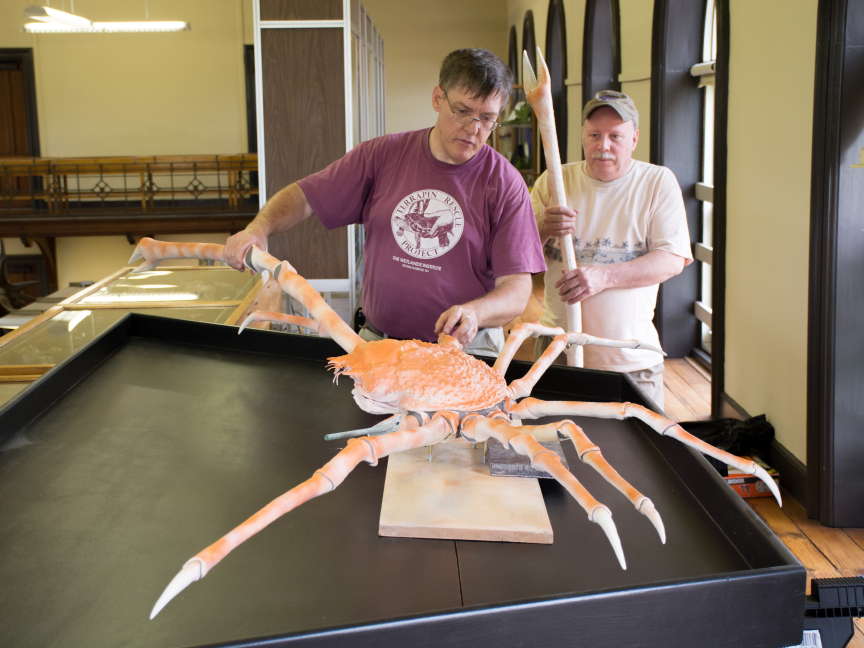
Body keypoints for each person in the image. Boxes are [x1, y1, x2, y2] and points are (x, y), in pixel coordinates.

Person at [224, 49, 546, 356]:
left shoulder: (505, 183)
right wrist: (258, 228)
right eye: (462, 111)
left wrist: (477, 312)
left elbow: (517, 289)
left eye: (487, 119)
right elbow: (307, 196)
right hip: (378, 344)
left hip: (464, 351)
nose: (474, 129)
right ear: (437, 98)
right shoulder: (382, 156)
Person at [532, 91, 692, 409]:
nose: (603, 146)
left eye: (615, 136)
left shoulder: (657, 183)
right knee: (551, 451)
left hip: (631, 363)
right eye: (594, 135)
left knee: (635, 456)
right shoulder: (554, 180)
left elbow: (673, 259)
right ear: (583, 136)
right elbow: (517, 252)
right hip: (555, 355)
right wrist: (545, 227)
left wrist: (603, 277)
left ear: (633, 139)